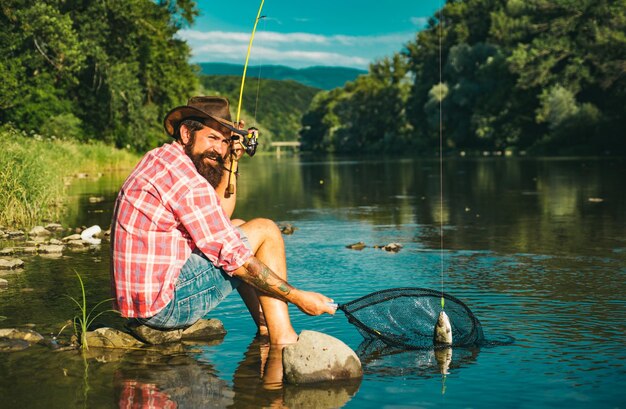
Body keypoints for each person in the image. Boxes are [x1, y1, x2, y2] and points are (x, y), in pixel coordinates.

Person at [110, 96, 335, 345]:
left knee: (238, 225)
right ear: (186, 133)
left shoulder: (161, 159)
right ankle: (283, 338)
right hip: (162, 308)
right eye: (212, 138)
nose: (218, 149)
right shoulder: (186, 181)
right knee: (266, 229)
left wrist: (231, 161)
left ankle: (265, 326)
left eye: (225, 141)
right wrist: (298, 297)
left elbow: (220, 217)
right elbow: (237, 260)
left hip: (138, 302)